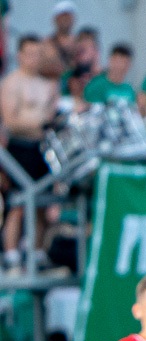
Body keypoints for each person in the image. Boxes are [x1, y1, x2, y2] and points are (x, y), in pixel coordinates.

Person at [1, 35, 59, 272]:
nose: (34, 59)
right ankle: (12, 253)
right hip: (20, 148)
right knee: (18, 203)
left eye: (38, 54)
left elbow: (51, 117)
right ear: (20, 56)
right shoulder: (12, 83)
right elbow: (11, 121)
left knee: (43, 203)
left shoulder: (47, 84)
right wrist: (38, 123)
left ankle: (36, 251)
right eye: (30, 54)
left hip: (41, 149)